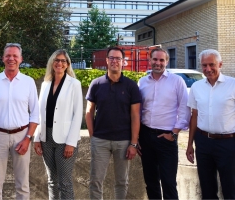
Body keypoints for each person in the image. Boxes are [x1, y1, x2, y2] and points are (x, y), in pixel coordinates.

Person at [0, 43, 39, 200]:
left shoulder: (29, 82)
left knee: (22, 185)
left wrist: (28, 139)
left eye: (15, 56)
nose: (11, 58)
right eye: (8, 55)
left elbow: (35, 115)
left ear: (21, 59)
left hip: (21, 136)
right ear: (2, 58)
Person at [85, 46, 141, 200]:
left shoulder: (131, 86)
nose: (115, 61)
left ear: (123, 62)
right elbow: (89, 111)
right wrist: (93, 136)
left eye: (118, 58)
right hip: (100, 140)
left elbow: (136, 115)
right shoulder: (96, 84)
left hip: (123, 141)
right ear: (107, 60)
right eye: (112, 58)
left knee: (122, 182)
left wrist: (134, 143)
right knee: (95, 181)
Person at [138, 48, 190, 200]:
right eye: (155, 59)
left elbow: (185, 109)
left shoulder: (177, 81)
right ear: (150, 60)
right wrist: (137, 138)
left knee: (168, 183)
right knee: (151, 182)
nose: (158, 63)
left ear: (167, 62)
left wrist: (174, 133)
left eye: (162, 60)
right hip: (146, 137)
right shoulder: (142, 82)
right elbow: (138, 111)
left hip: (166, 138)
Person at [33, 49, 83, 200]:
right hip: (46, 138)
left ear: (68, 64)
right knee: (52, 182)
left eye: (63, 61)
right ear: (52, 63)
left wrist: (71, 143)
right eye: (56, 60)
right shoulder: (45, 84)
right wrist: (36, 138)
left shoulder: (74, 84)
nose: (59, 63)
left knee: (65, 182)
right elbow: (39, 113)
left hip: (65, 139)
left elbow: (78, 114)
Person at [186, 49, 235, 199]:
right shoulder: (196, 87)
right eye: (204, 65)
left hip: (229, 143)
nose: (208, 69)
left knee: (231, 188)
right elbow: (194, 116)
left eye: (212, 65)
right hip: (203, 142)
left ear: (220, 64)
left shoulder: (233, 85)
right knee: (207, 188)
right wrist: (189, 145)